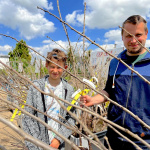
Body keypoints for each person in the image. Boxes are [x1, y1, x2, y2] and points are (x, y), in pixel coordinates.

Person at [80, 15, 150, 150]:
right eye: (129, 35)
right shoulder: (115, 63)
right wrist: (93, 100)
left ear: (146, 34)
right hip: (114, 134)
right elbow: (109, 91)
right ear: (122, 36)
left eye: (138, 35)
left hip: (144, 139)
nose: (134, 40)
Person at [23, 49, 75, 150]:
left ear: (65, 68)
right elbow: (28, 117)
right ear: (46, 65)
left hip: (59, 144)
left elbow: (71, 118)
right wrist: (36, 144)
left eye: (59, 67)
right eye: (52, 67)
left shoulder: (68, 90)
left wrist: (58, 139)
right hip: (37, 144)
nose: (55, 71)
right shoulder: (36, 87)